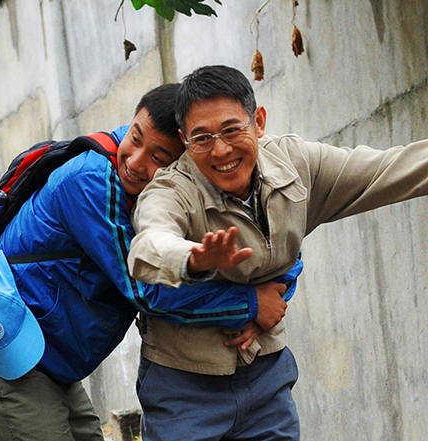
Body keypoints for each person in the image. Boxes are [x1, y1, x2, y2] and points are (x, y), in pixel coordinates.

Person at [0, 83, 297, 441]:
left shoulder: (190, 187)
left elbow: (277, 239)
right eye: (135, 139)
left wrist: (275, 296)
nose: (135, 161)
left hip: (52, 359)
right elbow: (144, 290)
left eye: (158, 157)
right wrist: (248, 305)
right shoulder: (90, 181)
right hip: (8, 347)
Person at [128, 65, 428, 441]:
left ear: (259, 121)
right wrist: (193, 258)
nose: (220, 149)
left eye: (232, 130)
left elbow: (390, 169)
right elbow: (148, 246)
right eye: (201, 138)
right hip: (182, 388)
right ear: (184, 141)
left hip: (267, 377)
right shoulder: (172, 189)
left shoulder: (295, 165)